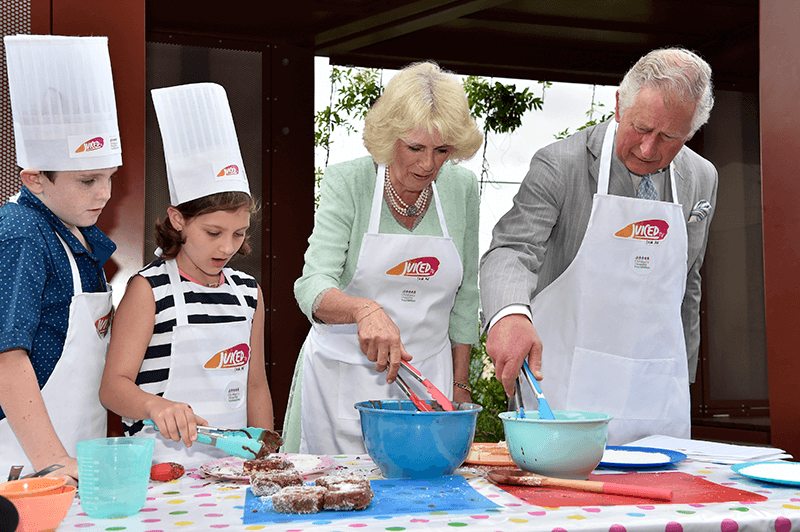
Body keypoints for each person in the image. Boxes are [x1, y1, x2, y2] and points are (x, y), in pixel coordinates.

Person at [480, 48, 718, 445]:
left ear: (690, 133)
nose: (647, 148)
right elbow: (511, 249)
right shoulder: (562, 164)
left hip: (655, 392)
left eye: (668, 137)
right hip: (565, 384)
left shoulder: (701, 177)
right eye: (641, 128)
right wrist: (508, 315)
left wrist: (682, 377)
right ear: (620, 104)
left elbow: (687, 282)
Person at [282, 61, 484, 454]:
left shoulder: (461, 189)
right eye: (415, 148)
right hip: (339, 382)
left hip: (429, 382)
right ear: (389, 137)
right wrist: (363, 310)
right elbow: (312, 287)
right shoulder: (349, 182)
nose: (428, 164)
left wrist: (460, 390)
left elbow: (466, 296)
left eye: (442, 150)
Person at [99, 83, 273, 462]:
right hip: (161, 467)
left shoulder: (248, 293)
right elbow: (113, 387)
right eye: (213, 233)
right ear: (178, 220)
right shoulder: (149, 289)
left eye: (239, 233)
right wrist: (154, 405)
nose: (227, 247)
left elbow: (255, 385)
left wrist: (265, 455)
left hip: (232, 468)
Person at [0, 35, 123, 483]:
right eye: (88, 180)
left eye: (111, 177)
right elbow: (6, 357)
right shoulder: (20, 234)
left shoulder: (79, 236)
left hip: (76, 448)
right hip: (23, 462)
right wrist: (51, 461)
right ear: (35, 179)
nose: (105, 194)